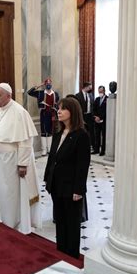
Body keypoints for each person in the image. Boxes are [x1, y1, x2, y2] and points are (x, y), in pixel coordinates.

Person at [0, 83, 42, 234]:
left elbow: (25, 142)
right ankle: (3, 217)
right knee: (1, 190)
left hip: (13, 161)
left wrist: (22, 164)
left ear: (8, 96)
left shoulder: (19, 112)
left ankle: (14, 222)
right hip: (0, 160)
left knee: (12, 193)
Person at [44, 97, 91, 258]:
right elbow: (52, 158)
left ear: (73, 112)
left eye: (63, 109)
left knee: (72, 224)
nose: (59, 111)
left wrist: (78, 189)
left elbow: (82, 165)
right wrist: (47, 179)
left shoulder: (81, 135)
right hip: (56, 185)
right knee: (60, 222)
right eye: (58, 108)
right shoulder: (58, 133)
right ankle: (61, 254)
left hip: (71, 188)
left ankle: (71, 256)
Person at [27, 78, 60, 156]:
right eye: (47, 83)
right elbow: (29, 92)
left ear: (51, 84)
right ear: (45, 85)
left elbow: (57, 104)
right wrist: (39, 85)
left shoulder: (55, 94)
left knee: (50, 131)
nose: (48, 85)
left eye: (49, 83)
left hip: (52, 114)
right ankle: (44, 149)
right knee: (43, 130)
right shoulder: (40, 93)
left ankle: (49, 149)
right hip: (44, 114)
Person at [75, 82, 95, 152]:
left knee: (91, 132)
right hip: (82, 116)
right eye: (90, 87)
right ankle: (81, 146)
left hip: (90, 116)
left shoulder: (91, 95)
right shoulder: (77, 95)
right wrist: (80, 118)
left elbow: (93, 106)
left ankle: (90, 146)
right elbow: (77, 108)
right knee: (82, 131)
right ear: (85, 87)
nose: (91, 89)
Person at [93, 85, 107, 156]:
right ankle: (96, 149)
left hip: (104, 121)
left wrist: (101, 117)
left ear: (104, 91)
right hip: (96, 120)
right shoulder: (97, 99)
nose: (100, 93)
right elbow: (94, 109)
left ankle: (103, 151)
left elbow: (107, 110)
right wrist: (95, 117)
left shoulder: (107, 99)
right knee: (97, 135)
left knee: (103, 136)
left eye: (101, 91)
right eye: (99, 92)